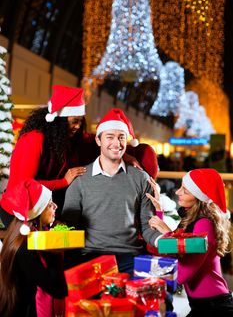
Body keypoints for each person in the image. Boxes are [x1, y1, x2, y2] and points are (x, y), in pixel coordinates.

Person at [0, 85, 139, 225]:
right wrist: (63, 182)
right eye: (75, 121)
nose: (78, 126)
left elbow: (95, 141)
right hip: (19, 209)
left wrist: (125, 155)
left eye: (80, 121)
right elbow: (24, 185)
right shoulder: (34, 139)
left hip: (44, 210)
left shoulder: (69, 138)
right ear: (59, 121)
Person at [61, 108, 160, 276]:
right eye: (110, 137)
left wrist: (162, 240)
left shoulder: (141, 178)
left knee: (156, 294)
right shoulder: (79, 179)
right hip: (90, 256)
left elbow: (147, 225)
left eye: (121, 137)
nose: (117, 143)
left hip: (130, 257)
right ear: (98, 141)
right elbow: (69, 225)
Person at [148, 168, 233, 316]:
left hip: (214, 307)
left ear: (198, 197)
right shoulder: (191, 219)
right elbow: (175, 244)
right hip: (202, 304)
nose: (177, 192)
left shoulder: (204, 224)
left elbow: (183, 274)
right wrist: (159, 212)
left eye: (185, 191)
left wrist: (167, 232)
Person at [0, 178, 68, 317]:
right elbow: (58, 289)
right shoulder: (24, 248)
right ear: (37, 213)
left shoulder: (25, 236)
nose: (55, 206)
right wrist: (55, 248)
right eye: (49, 205)